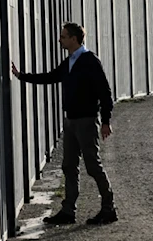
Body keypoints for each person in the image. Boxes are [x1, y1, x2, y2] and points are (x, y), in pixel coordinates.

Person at [11, 22, 118, 225]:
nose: (60, 39)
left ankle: (108, 208)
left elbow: (105, 93)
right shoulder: (69, 62)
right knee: (69, 166)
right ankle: (68, 211)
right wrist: (22, 76)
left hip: (86, 121)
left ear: (74, 39)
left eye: (63, 36)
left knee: (93, 166)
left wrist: (106, 121)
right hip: (70, 121)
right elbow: (51, 76)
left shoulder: (89, 61)